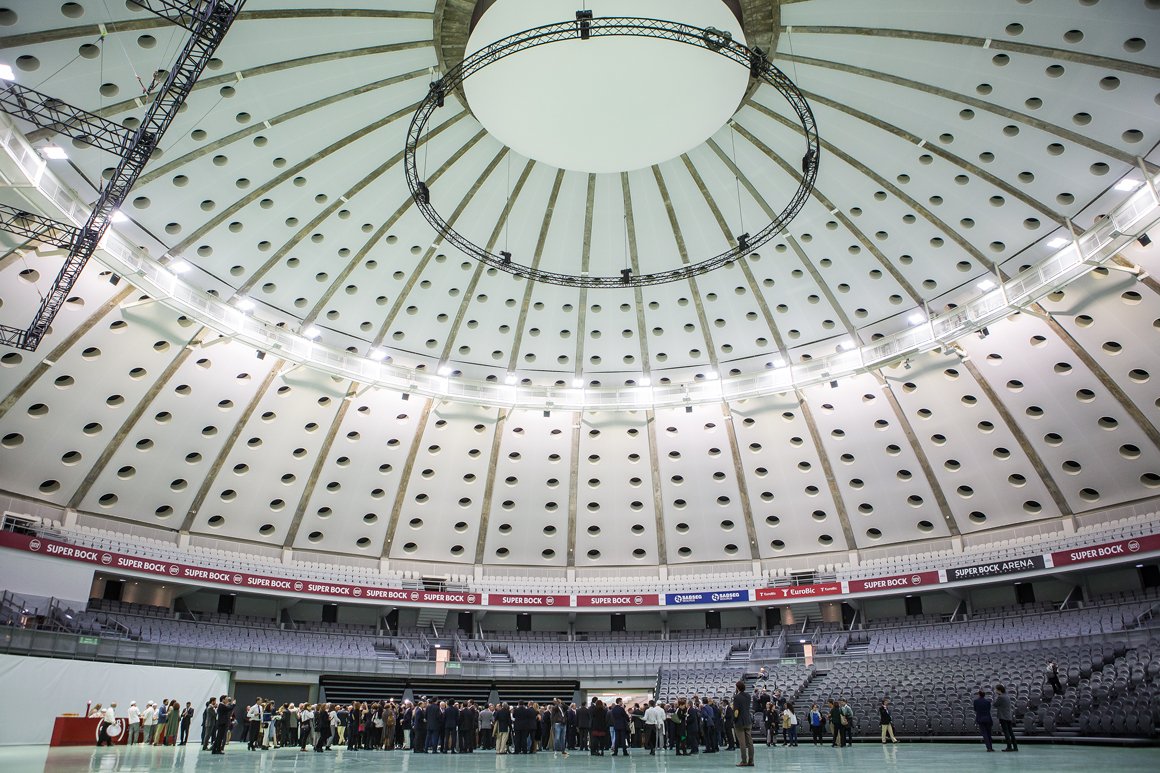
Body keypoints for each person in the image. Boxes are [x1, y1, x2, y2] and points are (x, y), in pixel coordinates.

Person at [733, 679, 754, 768]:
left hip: (740, 723)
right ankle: (751, 761)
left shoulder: (737, 697)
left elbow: (736, 711)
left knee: (742, 743)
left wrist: (734, 719)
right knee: (750, 742)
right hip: (748, 720)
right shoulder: (748, 696)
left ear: (737, 688)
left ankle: (744, 761)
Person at [994, 684, 1018, 752]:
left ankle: (1009, 747)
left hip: (1003, 717)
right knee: (1011, 732)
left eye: (996, 689)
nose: (995, 691)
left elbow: (995, 704)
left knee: (1006, 732)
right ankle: (1015, 747)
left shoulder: (1001, 697)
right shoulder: (1007, 696)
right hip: (1008, 716)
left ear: (999, 690)